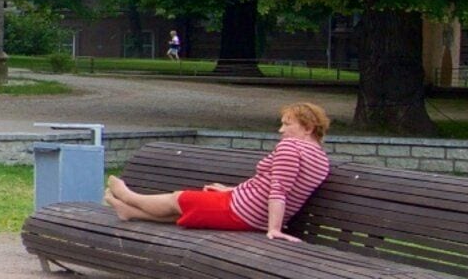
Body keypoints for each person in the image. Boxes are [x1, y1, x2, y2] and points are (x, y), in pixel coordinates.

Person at [103, 100, 329, 237]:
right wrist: (232, 190)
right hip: (250, 210)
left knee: (179, 199)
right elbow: (267, 185)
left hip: (243, 212)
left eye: (287, 124)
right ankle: (129, 211)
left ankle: (129, 197)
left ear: (308, 128)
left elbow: (279, 191)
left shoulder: (291, 147)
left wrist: (274, 229)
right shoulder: (320, 159)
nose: (281, 130)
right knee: (192, 210)